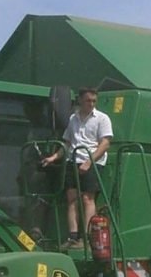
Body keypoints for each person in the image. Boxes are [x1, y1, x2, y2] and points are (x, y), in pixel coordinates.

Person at [40, 88, 113, 249]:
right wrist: (53, 157)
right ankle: (73, 237)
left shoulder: (102, 118)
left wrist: (89, 162)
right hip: (73, 160)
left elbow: (105, 143)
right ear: (80, 100)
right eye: (88, 101)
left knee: (87, 198)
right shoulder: (73, 118)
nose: (91, 104)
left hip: (93, 161)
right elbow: (67, 143)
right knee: (71, 198)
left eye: (94, 101)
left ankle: (87, 238)